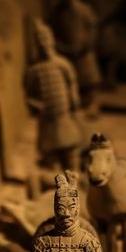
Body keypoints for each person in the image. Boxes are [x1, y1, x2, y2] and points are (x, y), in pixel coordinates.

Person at [24, 18, 83, 172]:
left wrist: (74, 100)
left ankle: (74, 179)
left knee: (72, 155)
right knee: (52, 161)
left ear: (52, 41)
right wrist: (36, 105)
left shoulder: (62, 64)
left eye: (46, 39)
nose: (44, 44)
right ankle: (56, 178)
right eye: (40, 41)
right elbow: (29, 95)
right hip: (48, 122)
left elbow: (72, 83)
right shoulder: (34, 70)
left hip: (65, 117)